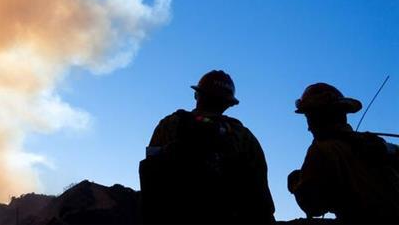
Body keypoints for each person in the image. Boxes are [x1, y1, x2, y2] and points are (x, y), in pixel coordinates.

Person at [139, 70, 275, 223]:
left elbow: (150, 173)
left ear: (197, 95)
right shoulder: (243, 136)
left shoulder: (171, 123)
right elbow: (261, 195)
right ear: (229, 104)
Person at [288, 82, 399, 223]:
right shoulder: (375, 143)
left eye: (309, 117)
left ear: (316, 118)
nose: (309, 127)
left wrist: (295, 183)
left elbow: (313, 206)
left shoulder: (323, 149)